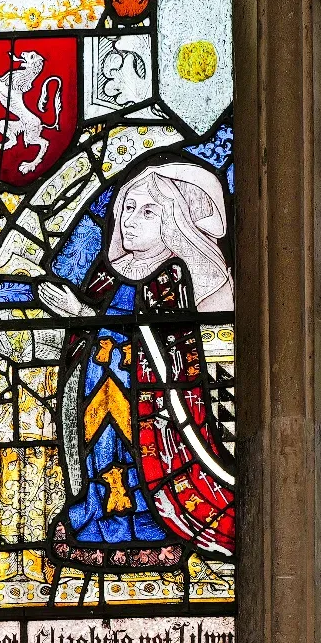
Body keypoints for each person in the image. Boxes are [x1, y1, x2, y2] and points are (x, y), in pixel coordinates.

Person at [41, 159, 237, 566]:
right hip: (101, 388)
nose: (131, 220)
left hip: (152, 403)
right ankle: (101, 510)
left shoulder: (178, 273)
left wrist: (84, 314)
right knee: (103, 452)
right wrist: (83, 320)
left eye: (147, 211)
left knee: (136, 455)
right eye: (127, 208)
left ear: (171, 218)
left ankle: (149, 515)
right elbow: (91, 332)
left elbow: (173, 343)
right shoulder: (111, 273)